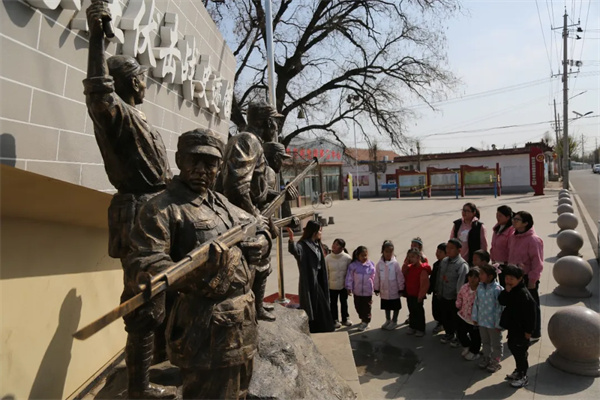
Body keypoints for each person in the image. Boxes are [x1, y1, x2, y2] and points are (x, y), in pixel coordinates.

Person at [127, 128, 273, 399]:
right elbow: (144, 263)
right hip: (205, 334)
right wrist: (197, 271)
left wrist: (262, 242)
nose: (201, 170)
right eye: (194, 160)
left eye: (210, 163)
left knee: (239, 392)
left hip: (240, 326)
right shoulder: (162, 209)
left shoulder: (220, 203)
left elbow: (256, 225)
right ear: (179, 160)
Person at [84, 3, 174, 398]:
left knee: (165, 294)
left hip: (156, 210)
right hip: (138, 215)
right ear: (129, 82)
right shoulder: (115, 114)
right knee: (144, 304)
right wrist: (96, 41)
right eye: (140, 78)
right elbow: (97, 91)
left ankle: (161, 362)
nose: (145, 85)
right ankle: (138, 388)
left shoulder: (137, 117)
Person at [287, 221, 335, 333]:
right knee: (315, 303)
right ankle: (318, 327)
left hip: (320, 277)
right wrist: (291, 238)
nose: (321, 233)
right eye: (319, 231)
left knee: (321, 303)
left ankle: (323, 326)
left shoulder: (318, 244)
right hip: (310, 279)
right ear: (314, 232)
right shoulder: (303, 245)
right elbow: (295, 251)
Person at [498, 264, 537, 388]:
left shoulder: (524, 294)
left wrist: (528, 331)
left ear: (520, 279)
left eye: (511, 279)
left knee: (520, 352)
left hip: (521, 329)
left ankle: (523, 376)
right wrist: (506, 291)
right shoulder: (511, 290)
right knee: (513, 347)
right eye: (506, 278)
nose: (508, 281)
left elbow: (531, 315)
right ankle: (519, 370)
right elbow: (502, 301)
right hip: (513, 326)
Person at [507, 211, 544, 341]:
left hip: (527, 278)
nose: (514, 221)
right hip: (514, 277)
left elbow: (537, 262)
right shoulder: (513, 236)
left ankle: (534, 333)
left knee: (531, 307)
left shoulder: (533, 240)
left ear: (525, 223)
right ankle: (520, 330)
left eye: (517, 219)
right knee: (517, 306)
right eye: (514, 218)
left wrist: (533, 279)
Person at [436, 238, 469, 346]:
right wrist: (439, 290)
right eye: (447, 248)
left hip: (454, 298)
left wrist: (458, 298)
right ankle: (449, 333)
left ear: (459, 250)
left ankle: (458, 338)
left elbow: (461, 284)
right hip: (443, 295)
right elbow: (439, 277)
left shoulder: (462, 265)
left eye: (451, 248)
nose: (448, 250)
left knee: (456, 319)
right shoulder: (444, 261)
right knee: (446, 317)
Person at [472, 263, 504, 373]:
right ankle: (486, 357)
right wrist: (475, 317)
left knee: (496, 343)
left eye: (482, 274)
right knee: (485, 341)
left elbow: (500, 308)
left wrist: (499, 324)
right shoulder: (480, 287)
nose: (479, 276)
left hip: (493, 324)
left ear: (490, 276)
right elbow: (476, 303)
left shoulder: (497, 290)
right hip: (482, 321)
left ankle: (496, 360)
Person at [374, 241, 405, 330]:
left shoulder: (395, 264)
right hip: (384, 290)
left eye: (391, 251)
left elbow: (400, 277)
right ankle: (388, 320)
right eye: (386, 251)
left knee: (395, 306)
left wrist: (401, 288)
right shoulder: (379, 265)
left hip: (394, 290)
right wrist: (376, 288)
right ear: (382, 251)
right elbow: (377, 277)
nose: (388, 254)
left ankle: (394, 321)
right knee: (386, 306)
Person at [346, 246, 376, 331]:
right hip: (357, 292)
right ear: (357, 256)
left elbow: (374, 277)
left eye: (365, 255)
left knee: (367, 308)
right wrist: (349, 287)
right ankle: (363, 319)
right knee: (358, 307)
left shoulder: (370, 265)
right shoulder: (353, 266)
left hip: (368, 292)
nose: (364, 257)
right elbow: (349, 277)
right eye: (362, 255)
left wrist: (376, 287)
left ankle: (366, 322)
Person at [402, 248, 431, 337]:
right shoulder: (410, 268)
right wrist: (406, 263)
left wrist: (421, 295)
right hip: (410, 294)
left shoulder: (422, 269)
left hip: (418, 295)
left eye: (413, 257)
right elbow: (403, 272)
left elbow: (424, 284)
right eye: (409, 257)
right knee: (412, 311)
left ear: (418, 257)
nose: (411, 259)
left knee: (419, 312)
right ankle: (412, 326)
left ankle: (420, 328)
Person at [325, 238, 353, 328]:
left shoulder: (347, 258)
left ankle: (345, 319)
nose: (334, 246)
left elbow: (350, 273)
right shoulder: (327, 258)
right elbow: (326, 273)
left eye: (337, 245)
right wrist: (326, 285)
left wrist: (349, 286)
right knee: (333, 303)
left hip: (343, 285)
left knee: (344, 302)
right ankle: (334, 320)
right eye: (334, 243)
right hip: (332, 286)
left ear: (342, 248)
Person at [456, 267, 481, 361]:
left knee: (475, 337)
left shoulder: (481, 290)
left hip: (474, 319)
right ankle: (467, 346)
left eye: (475, 277)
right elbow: (460, 296)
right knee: (460, 333)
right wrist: (458, 304)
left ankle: (474, 352)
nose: (472, 279)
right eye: (470, 276)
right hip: (463, 315)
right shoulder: (465, 287)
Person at [429, 243, 447, 335]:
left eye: (440, 252)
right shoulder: (436, 264)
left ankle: (444, 325)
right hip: (436, 291)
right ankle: (440, 322)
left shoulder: (448, 266)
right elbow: (433, 278)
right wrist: (430, 288)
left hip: (444, 293)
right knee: (435, 309)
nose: (437, 254)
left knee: (443, 310)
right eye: (437, 251)